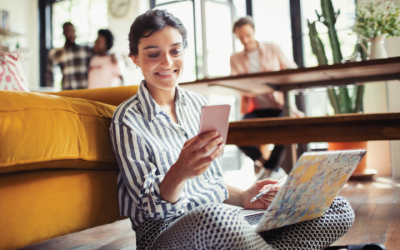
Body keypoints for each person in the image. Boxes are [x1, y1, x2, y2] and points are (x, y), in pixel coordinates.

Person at [109, 9, 354, 250]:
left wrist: (245, 196)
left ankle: (252, 244)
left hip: (223, 226)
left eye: (175, 51)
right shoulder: (127, 119)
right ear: (135, 59)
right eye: (153, 55)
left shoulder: (200, 105)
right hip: (164, 233)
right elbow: (152, 209)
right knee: (217, 218)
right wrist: (179, 172)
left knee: (337, 206)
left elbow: (211, 182)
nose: (167, 62)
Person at [230, 17, 303, 179]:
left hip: (279, 106)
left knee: (288, 125)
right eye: (241, 37)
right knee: (233, 131)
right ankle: (266, 163)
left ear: (254, 31)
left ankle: (270, 168)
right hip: (255, 109)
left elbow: (292, 71)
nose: (245, 40)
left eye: (248, 35)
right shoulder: (235, 58)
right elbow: (235, 84)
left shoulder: (273, 49)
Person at [46, 22, 93, 90]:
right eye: (69, 31)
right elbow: (49, 75)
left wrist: (111, 56)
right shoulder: (57, 53)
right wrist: (49, 92)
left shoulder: (85, 50)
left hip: (84, 92)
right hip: (67, 91)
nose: (72, 34)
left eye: (73, 31)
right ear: (64, 33)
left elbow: (102, 53)